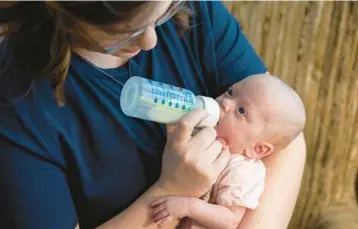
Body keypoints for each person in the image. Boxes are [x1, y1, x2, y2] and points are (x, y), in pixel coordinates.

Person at [0, 1, 306, 229]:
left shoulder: (197, 12)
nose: (151, 41)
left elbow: (283, 141)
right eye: (126, 31)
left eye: (165, 12)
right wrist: (172, 189)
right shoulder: (18, 103)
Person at [150, 74, 306, 229]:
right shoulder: (207, 132)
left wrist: (189, 206)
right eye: (231, 92)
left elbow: (230, 219)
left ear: (257, 149)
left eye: (241, 111)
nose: (225, 102)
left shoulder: (242, 171)